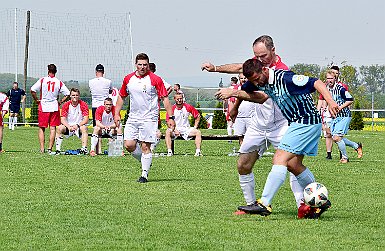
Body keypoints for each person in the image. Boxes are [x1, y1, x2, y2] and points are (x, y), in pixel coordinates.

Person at [216, 58, 339, 219]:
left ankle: (264, 203)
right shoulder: (259, 80)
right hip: (297, 123)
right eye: (253, 81)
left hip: (306, 121)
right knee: (294, 164)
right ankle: (320, 202)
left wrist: (330, 101)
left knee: (279, 158)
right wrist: (234, 96)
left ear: (264, 70)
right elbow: (259, 97)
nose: (257, 83)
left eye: (257, 79)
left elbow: (316, 82)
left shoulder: (285, 78)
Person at [202, 35, 307, 218]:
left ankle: (302, 205)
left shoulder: (281, 71)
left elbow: (262, 97)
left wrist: (233, 93)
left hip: (281, 125)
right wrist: (215, 69)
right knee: (243, 165)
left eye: (263, 56)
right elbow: (239, 67)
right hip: (259, 126)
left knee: (292, 164)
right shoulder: (258, 65)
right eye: (256, 56)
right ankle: (251, 205)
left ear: (273, 51)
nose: (258, 60)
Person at [114, 53, 175, 183]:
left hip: (149, 118)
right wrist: (116, 113)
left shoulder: (155, 79)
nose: (142, 67)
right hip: (133, 117)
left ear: (148, 65)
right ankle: (146, 160)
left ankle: (144, 175)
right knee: (129, 145)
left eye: (145, 65)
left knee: (145, 146)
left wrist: (170, 117)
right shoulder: (128, 79)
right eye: (140, 64)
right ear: (135, 65)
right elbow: (121, 97)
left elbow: (165, 98)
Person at [322, 70, 362, 163]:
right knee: (335, 137)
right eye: (327, 78)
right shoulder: (327, 88)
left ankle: (345, 158)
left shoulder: (340, 89)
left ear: (335, 79)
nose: (329, 80)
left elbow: (350, 99)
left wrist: (340, 107)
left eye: (331, 78)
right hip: (335, 117)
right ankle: (356, 146)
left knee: (336, 138)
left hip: (344, 116)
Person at [31, 64, 70, 153]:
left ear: (48, 71)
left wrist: (36, 100)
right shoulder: (58, 82)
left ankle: (42, 148)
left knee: (41, 128)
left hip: (44, 106)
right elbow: (67, 93)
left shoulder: (42, 80)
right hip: (54, 106)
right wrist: (60, 102)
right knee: (52, 128)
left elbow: (32, 90)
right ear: (56, 71)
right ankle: (49, 148)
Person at [52, 88, 89, 155]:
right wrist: (69, 127)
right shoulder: (66, 105)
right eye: (73, 95)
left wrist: (77, 125)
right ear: (70, 96)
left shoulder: (83, 104)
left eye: (76, 95)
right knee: (59, 128)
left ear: (79, 96)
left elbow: (86, 119)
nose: (75, 97)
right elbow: (63, 119)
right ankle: (58, 150)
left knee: (84, 128)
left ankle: (84, 149)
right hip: (68, 126)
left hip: (79, 126)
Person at [148, 62, 172, 152]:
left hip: (153, 107)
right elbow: (170, 88)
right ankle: (148, 148)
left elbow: (170, 88)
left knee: (154, 129)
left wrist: (161, 96)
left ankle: (150, 148)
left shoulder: (157, 79)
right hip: (146, 107)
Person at [232, 73, 254, 146]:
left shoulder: (253, 88)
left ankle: (251, 152)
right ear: (239, 79)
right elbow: (232, 102)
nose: (243, 80)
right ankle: (242, 151)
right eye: (241, 78)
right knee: (240, 136)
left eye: (245, 78)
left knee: (251, 137)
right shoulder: (236, 90)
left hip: (251, 117)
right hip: (239, 117)